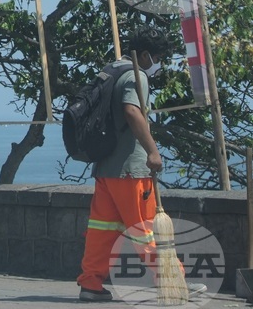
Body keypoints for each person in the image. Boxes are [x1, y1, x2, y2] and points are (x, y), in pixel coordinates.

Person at [76, 26, 206, 301]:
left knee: (101, 230)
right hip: (131, 170)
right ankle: (174, 280)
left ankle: (91, 283)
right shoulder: (136, 76)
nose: (158, 63)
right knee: (148, 228)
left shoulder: (110, 70)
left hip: (106, 168)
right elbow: (132, 111)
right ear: (145, 55)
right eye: (158, 57)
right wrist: (153, 151)